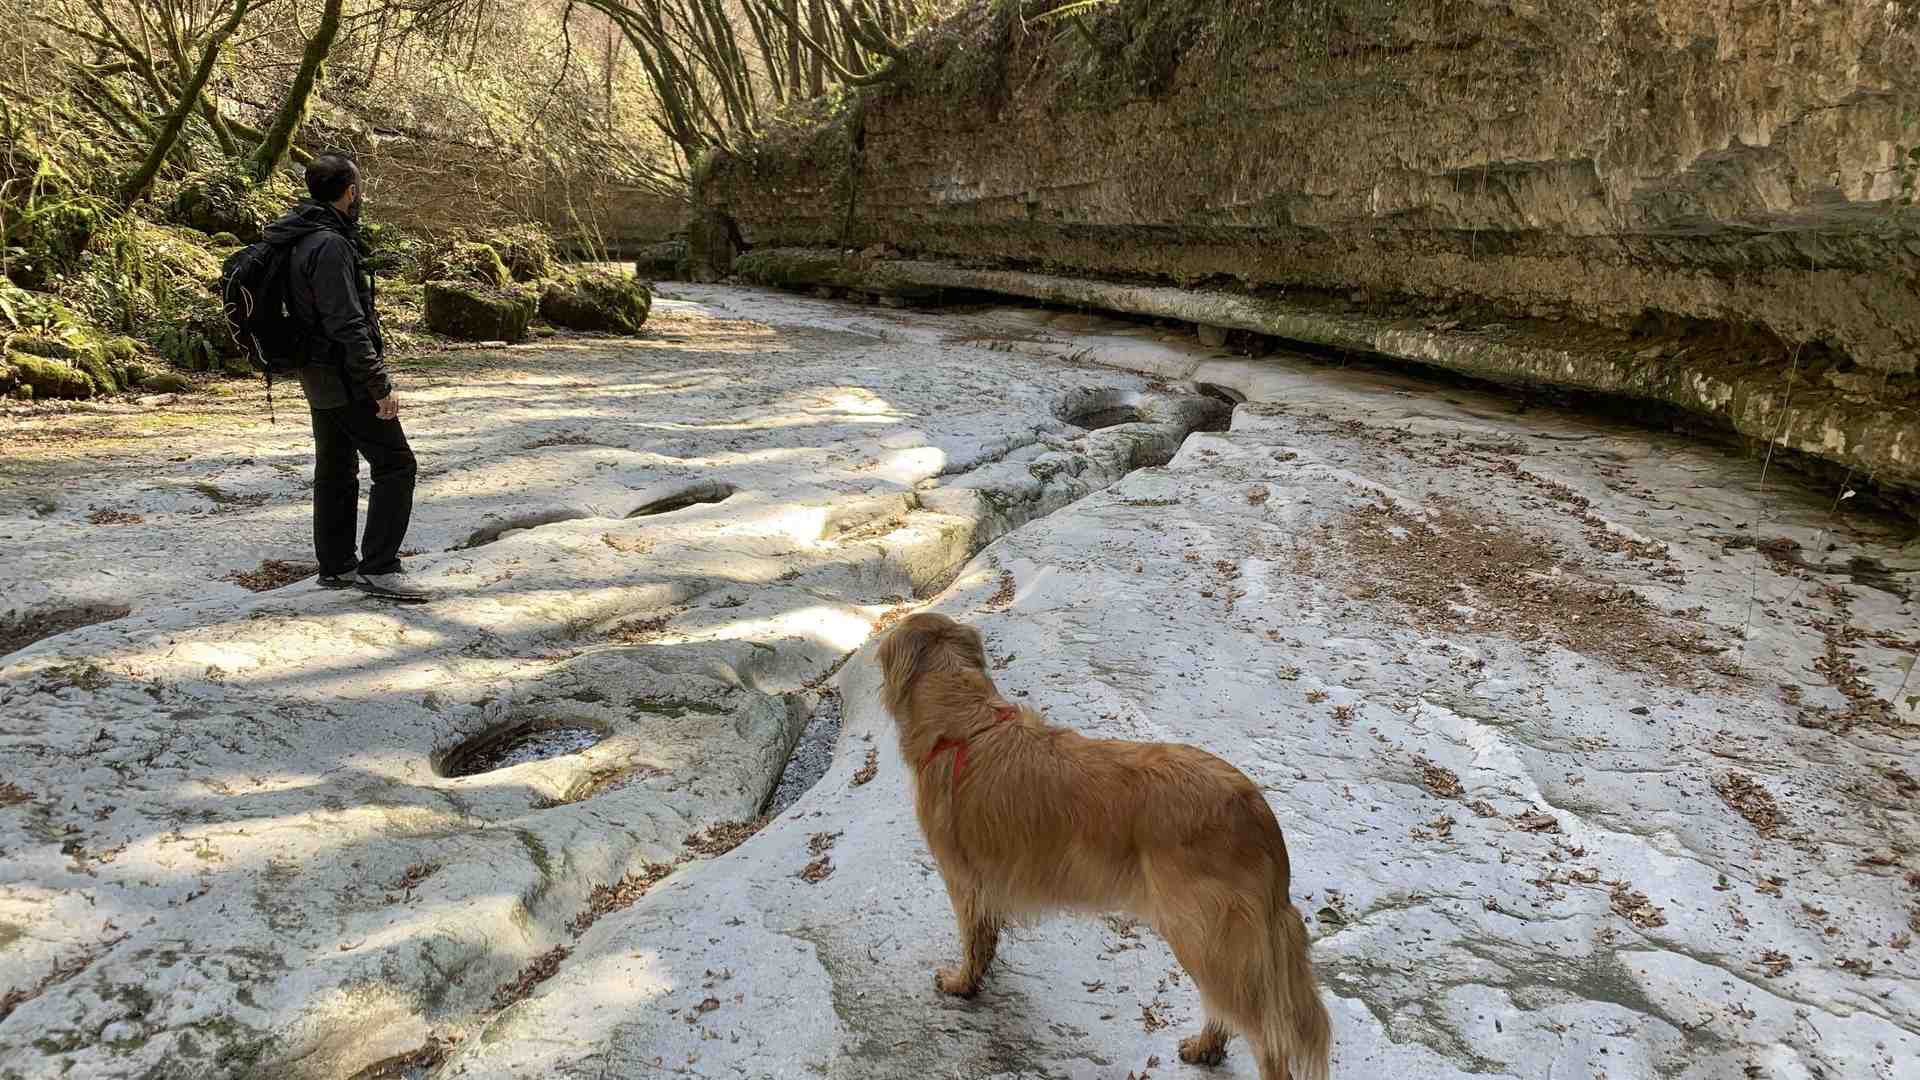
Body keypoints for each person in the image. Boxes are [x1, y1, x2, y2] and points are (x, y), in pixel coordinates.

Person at [263, 153, 429, 600]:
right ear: (350, 191)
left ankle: (336, 566)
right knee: (396, 465)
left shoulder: (298, 236)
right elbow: (346, 322)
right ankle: (380, 567)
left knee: (335, 471)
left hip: (316, 373)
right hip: (344, 373)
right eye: (359, 186)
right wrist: (379, 383)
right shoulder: (331, 244)